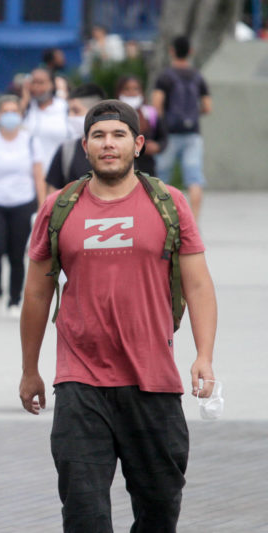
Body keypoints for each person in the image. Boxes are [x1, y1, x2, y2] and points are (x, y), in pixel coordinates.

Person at [19, 100, 217, 532]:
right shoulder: (59, 207)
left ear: (138, 144)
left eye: (118, 135)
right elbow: (36, 293)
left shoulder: (169, 203)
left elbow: (199, 285)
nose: (108, 144)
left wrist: (204, 355)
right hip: (80, 381)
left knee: (159, 511)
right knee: (84, 515)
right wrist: (30, 370)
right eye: (99, 136)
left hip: (153, 379)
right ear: (85, 146)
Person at [0, 94, 45, 318]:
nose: (10, 116)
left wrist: (43, 207)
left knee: (17, 254)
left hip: (23, 202)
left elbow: (38, 176)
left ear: (21, 115)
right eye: (5, 112)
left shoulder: (31, 142)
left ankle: (14, 300)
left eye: (14, 112)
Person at [152, 35, 212, 220]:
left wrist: (161, 125)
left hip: (169, 134)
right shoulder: (197, 76)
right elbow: (207, 107)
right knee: (194, 179)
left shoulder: (165, 76)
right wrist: (192, 114)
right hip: (193, 133)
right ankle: (194, 221)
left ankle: (161, 219)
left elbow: (157, 105)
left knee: (161, 179)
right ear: (190, 52)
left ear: (172, 51)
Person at [45, 83, 106, 193]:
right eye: (68, 111)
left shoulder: (121, 148)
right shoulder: (67, 150)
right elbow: (52, 193)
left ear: (97, 112)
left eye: (76, 111)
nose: (70, 116)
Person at [116, 75, 167, 176]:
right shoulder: (113, 113)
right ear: (119, 92)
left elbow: (163, 138)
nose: (131, 92)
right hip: (120, 165)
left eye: (135, 89)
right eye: (127, 89)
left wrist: (157, 146)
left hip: (146, 166)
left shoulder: (150, 113)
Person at [22, 67, 71, 165]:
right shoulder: (27, 108)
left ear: (52, 85)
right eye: (33, 82)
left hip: (58, 168)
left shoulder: (64, 107)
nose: (36, 87)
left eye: (41, 83)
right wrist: (25, 97)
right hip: (30, 170)